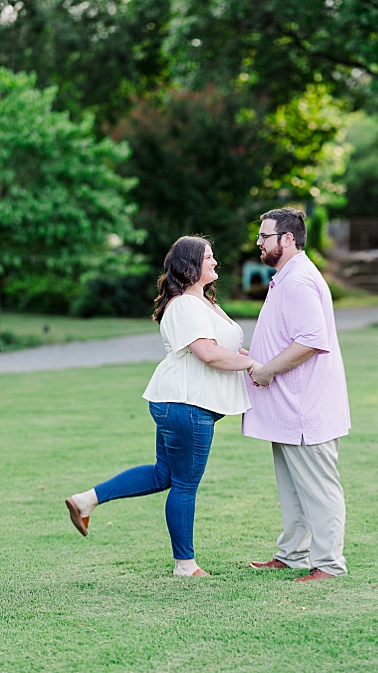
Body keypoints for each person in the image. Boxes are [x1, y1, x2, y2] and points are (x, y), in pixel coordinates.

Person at [65, 236, 256, 577]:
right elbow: (208, 354)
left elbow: (225, 346)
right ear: (190, 265)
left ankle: (85, 500)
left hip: (182, 402)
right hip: (185, 404)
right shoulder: (185, 305)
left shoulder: (204, 302)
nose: (215, 262)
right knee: (184, 483)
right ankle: (185, 565)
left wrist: (252, 359)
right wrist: (255, 367)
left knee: (163, 474)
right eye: (208, 257)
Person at [243, 207, 351, 583]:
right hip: (287, 410)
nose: (258, 242)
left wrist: (266, 369)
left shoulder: (299, 279)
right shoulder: (286, 277)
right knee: (293, 489)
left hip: (306, 408)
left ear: (287, 239)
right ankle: (291, 555)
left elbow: (311, 340)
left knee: (318, 489)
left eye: (264, 236)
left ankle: (329, 565)